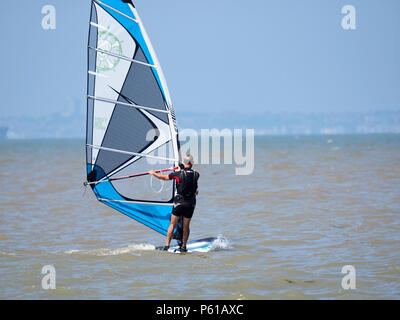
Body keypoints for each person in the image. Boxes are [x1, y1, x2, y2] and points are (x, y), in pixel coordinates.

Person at [148, 154, 199, 252]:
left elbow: (163, 177)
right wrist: (181, 169)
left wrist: (153, 173)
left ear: (184, 162)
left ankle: (167, 246)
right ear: (192, 163)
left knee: (172, 224)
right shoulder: (197, 174)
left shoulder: (178, 174)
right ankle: (184, 246)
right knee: (186, 226)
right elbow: (189, 179)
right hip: (190, 204)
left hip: (179, 203)